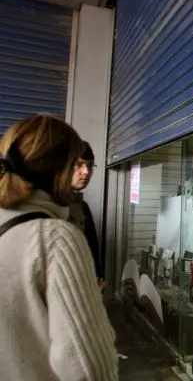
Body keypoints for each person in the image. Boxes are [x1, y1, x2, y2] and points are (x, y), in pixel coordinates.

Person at [0, 115, 117, 380]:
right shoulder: (54, 238)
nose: (83, 172)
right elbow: (88, 367)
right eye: (75, 163)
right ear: (59, 168)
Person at [69, 141, 103, 280]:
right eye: (79, 165)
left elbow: (92, 249)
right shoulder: (51, 207)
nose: (86, 172)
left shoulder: (83, 207)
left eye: (90, 166)